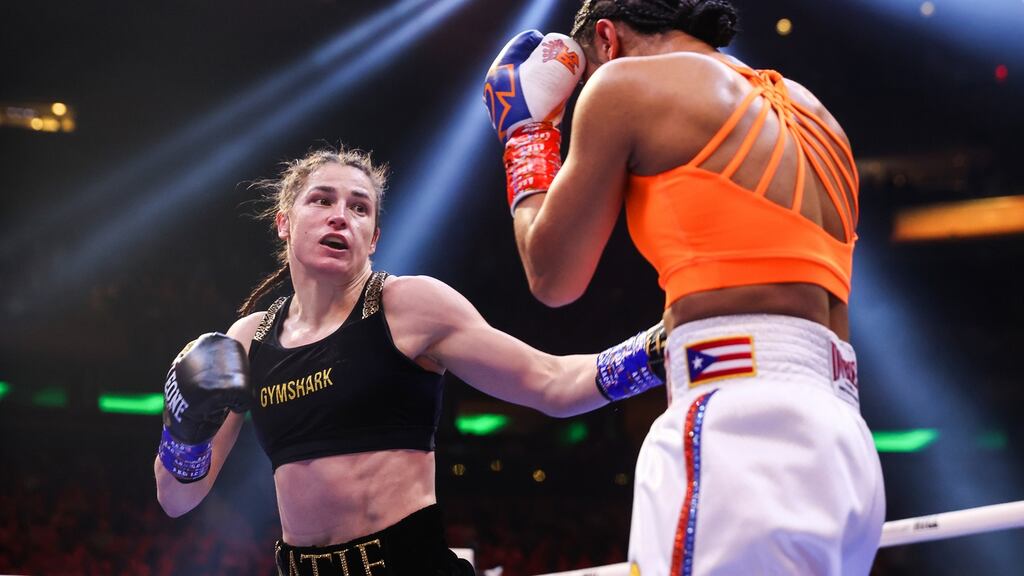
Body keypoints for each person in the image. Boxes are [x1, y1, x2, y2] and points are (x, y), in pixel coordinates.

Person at [482, 1, 885, 574]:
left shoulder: (623, 83)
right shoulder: (815, 114)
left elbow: (552, 276)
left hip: (741, 433)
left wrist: (526, 138)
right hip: (843, 439)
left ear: (606, 38)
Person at [153, 146, 667, 576]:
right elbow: (177, 498)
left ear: (373, 238)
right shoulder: (248, 339)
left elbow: (552, 383)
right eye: (322, 200)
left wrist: (663, 345)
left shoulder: (408, 306)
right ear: (284, 223)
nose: (340, 215)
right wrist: (184, 430)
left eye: (359, 208)